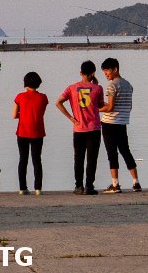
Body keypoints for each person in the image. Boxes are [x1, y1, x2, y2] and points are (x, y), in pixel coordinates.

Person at [56, 60, 105, 195]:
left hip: (78, 129)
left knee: (78, 158)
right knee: (92, 158)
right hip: (94, 128)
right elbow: (100, 105)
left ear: (80, 73)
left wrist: (71, 118)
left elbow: (58, 102)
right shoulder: (98, 88)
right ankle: (89, 185)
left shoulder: (71, 88)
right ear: (93, 73)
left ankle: (78, 186)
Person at [98, 58, 141, 193]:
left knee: (112, 153)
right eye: (104, 72)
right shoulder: (128, 85)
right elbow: (129, 106)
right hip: (122, 123)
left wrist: (96, 109)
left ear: (115, 69)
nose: (105, 74)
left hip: (109, 124)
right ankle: (136, 183)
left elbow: (110, 107)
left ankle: (115, 185)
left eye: (107, 71)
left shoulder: (111, 86)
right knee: (125, 151)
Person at [13, 71, 48, 195]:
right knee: (37, 160)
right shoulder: (43, 97)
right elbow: (40, 113)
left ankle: (23, 188)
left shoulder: (20, 97)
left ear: (25, 83)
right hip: (37, 132)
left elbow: (14, 115)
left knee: (23, 160)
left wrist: (23, 115)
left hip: (22, 132)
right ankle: (38, 188)